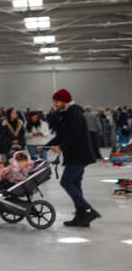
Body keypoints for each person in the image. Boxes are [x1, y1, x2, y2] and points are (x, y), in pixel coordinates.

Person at [47, 90, 100, 227]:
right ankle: (82, 216)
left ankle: (88, 210)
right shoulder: (68, 113)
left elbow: (75, 135)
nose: (55, 104)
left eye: (57, 101)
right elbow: (62, 135)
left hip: (79, 155)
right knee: (75, 184)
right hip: (76, 155)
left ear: (64, 101)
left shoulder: (74, 114)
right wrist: (46, 146)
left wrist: (61, 147)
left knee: (66, 182)